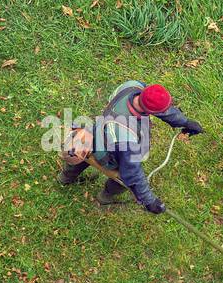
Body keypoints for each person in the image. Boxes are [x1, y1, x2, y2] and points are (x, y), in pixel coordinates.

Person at [56, 81, 202, 212]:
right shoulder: (128, 139)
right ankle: (105, 197)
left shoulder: (132, 86)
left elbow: (158, 107)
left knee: (81, 150)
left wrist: (184, 122)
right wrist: (149, 201)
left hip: (97, 131)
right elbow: (132, 174)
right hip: (108, 154)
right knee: (123, 179)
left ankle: (65, 178)